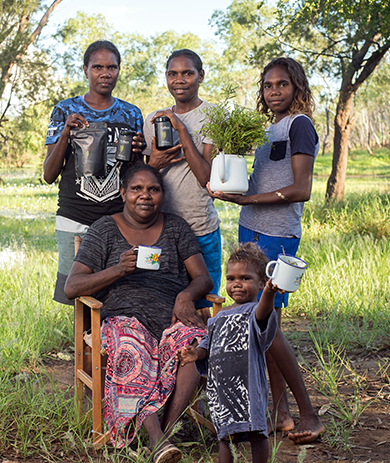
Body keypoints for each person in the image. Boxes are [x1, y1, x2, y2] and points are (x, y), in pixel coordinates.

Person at [208, 57, 325, 444]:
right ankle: (280, 413)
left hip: (276, 234)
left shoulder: (299, 126)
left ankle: (308, 412)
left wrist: (251, 199)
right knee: (259, 324)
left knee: (269, 327)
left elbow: (301, 189)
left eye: (282, 85)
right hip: (252, 230)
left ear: (297, 88)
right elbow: (255, 181)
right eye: (268, 85)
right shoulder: (268, 129)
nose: (274, 92)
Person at [64, 164, 212, 463]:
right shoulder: (104, 229)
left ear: (162, 194)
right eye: (137, 189)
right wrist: (119, 269)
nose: (145, 195)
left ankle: (166, 430)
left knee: (194, 341)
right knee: (132, 345)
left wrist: (185, 295)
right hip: (123, 320)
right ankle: (158, 439)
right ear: (123, 194)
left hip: (170, 319)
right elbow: (72, 286)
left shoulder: (175, 228)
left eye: (153, 189)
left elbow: (203, 278)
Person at [43, 40, 146, 306]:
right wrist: (66, 133)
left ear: (119, 70)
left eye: (112, 67)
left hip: (117, 220)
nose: (105, 73)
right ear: (86, 70)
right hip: (74, 217)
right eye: (97, 67)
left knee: (116, 290)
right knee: (75, 292)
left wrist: (137, 152)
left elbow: (135, 177)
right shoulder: (64, 110)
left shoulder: (131, 113)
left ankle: (106, 346)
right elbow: (49, 173)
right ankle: (82, 346)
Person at [177, 243, 279, 463]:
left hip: (248, 389)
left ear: (261, 282)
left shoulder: (255, 311)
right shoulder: (219, 316)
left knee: (256, 433)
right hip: (222, 390)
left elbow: (262, 315)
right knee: (225, 437)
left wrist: (269, 294)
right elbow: (208, 343)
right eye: (231, 279)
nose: (237, 284)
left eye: (245, 278)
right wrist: (196, 353)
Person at [143, 49, 222, 305]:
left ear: (201, 76)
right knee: (161, 302)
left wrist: (181, 129)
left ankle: (202, 347)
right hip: (159, 230)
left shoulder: (213, 116)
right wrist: (153, 162)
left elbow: (206, 178)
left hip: (200, 228)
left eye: (187, 73)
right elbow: (145, 175)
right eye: (172, 73)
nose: (179, 79)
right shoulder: (153, 119)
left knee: (203, 303)